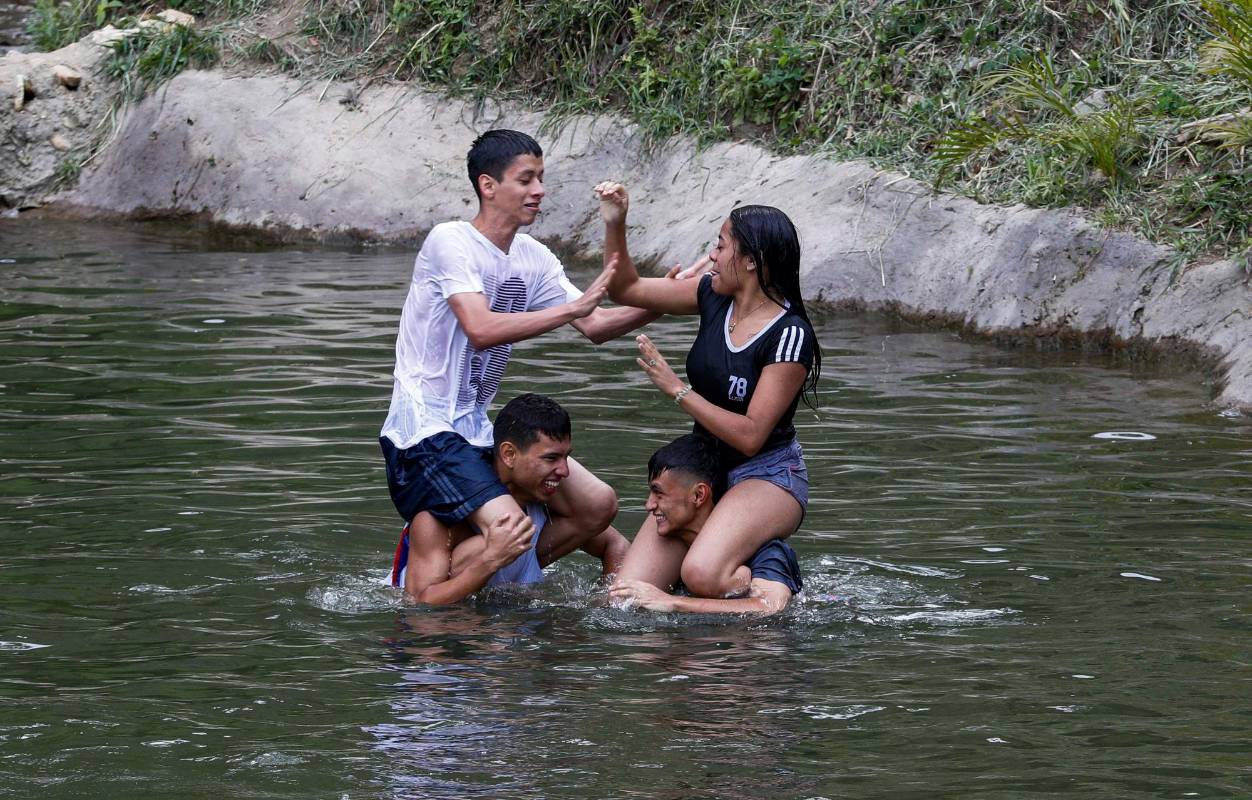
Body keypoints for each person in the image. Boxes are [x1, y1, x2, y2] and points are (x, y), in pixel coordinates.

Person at [379, 130, 656, 603]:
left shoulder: (533, 256)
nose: (539, 190)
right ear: (488, 186)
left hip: (475, 430)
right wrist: (571, 310)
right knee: (511, 527)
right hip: (423, 433)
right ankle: (458, 591)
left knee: (597, 505)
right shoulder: (451, 240)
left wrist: (672, 298)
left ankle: (509, 594)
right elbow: (480, 328)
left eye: (541, 179)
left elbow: (597, 325)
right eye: (526, 180)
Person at [595, 181, 822, 600]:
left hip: (766, 474)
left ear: (751, 261)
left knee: (701, 576)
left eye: (720, 245)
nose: (712, 256)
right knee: (624, 595)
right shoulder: (711, 295)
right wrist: (615, 223)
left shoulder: (790, 334)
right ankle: (721, 548)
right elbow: (625, 289)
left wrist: (678, 390)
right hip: (704, 469)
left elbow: (751, 436)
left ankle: (769, 566)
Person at [389, 393, 629, 603]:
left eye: (566, 457)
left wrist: (607, 605)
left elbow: (616, 545)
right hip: (449, 629)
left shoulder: (543, 502)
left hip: (508, 622)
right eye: (550, 458)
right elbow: (419, 605)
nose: (565, 471)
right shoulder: (438, 515)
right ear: (509, 454)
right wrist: (490, 559)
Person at [609, 434, 802, 615]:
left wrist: (672, 602)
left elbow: (771, 608)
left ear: (698, 495)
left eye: (659, 494)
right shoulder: (675, 551)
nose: (649, 505)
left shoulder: (766, 552)